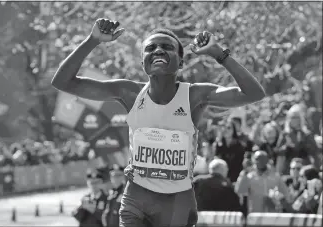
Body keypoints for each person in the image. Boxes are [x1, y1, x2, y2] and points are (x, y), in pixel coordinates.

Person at [52, 18, 265, 227]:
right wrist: (93, 40)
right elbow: (63, 82)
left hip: (176, 200)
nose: (158, 50)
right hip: (136, 197)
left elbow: (253, 93)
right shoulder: (129, 92)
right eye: (150, 48)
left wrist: (219, 54)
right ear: (142, 62)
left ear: (181, 62)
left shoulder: (195, 95)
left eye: (166, 47)